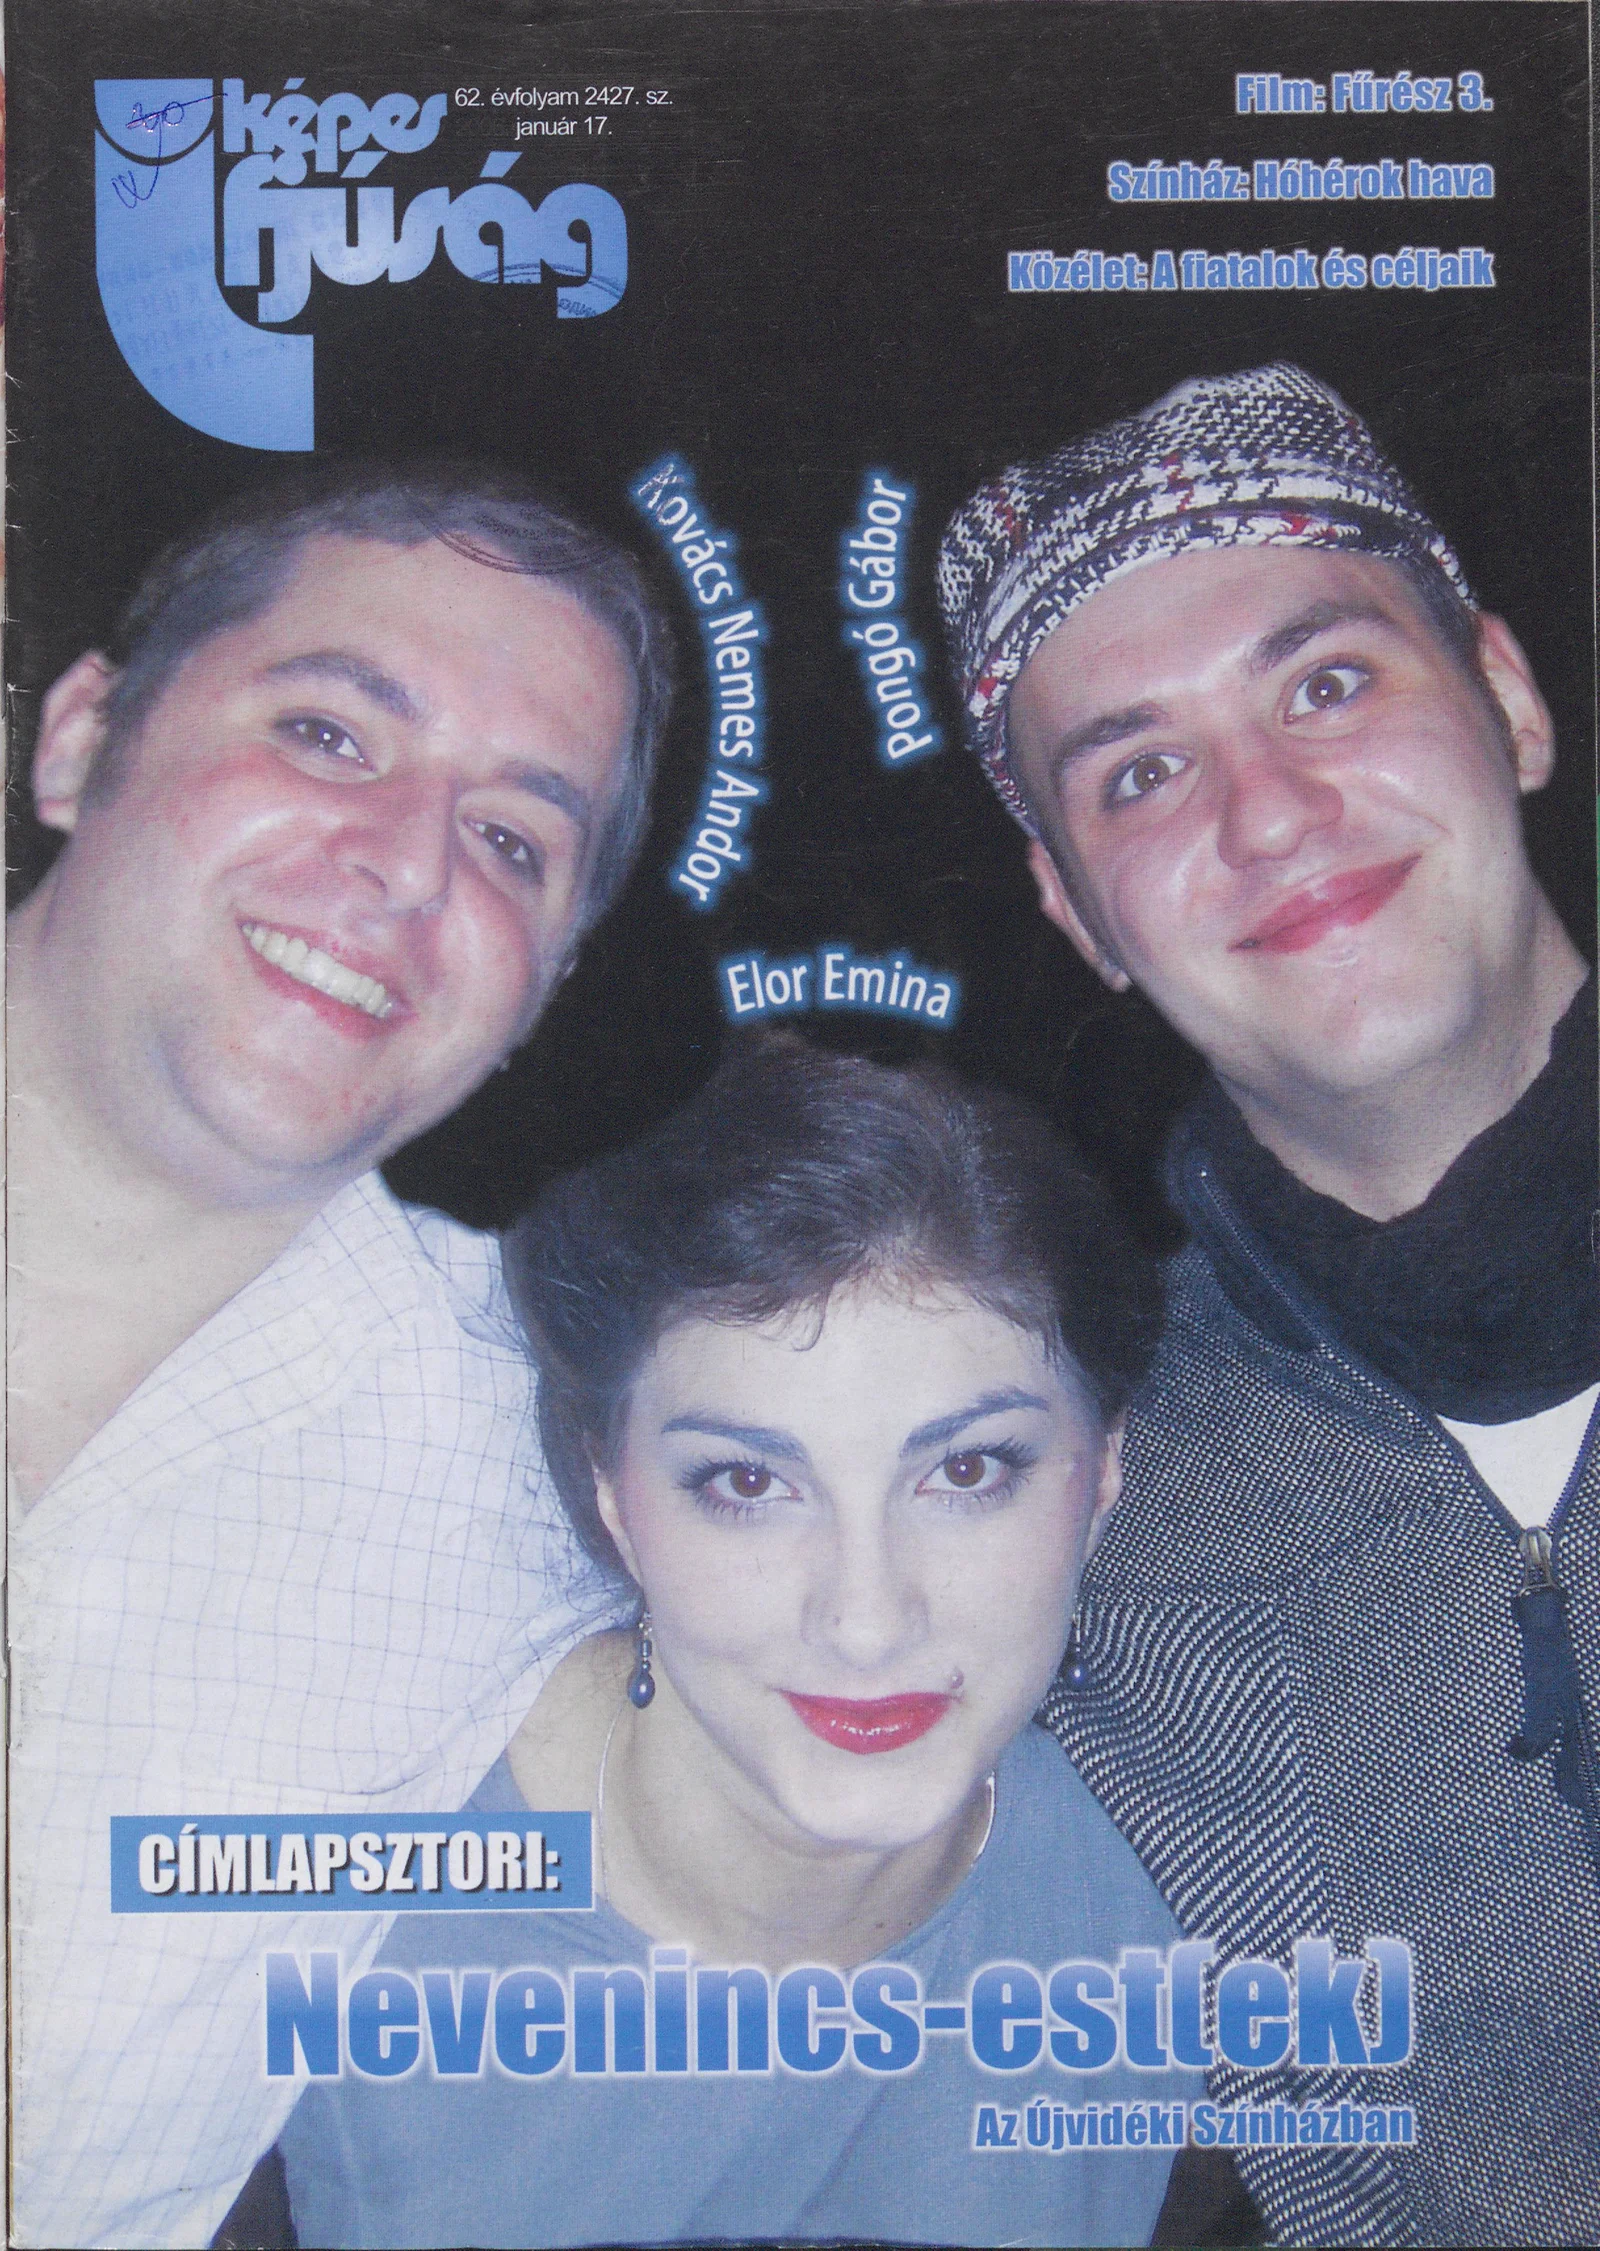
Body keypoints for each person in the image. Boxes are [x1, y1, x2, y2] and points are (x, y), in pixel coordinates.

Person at [937, 361, 1599, 2247]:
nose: (1271, 810)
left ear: (1510, 700)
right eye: (1139, 772)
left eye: (1326, 683)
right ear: (1077, 912)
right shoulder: (1066, 1529)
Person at [6, 461, 674, 2250]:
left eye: (514, 840)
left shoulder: (549, 1483)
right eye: (327, 733)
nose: (405, 863)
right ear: (79, 740)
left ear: (545, 985)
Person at [279, 1034, 1187, 2250]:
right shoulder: (344, 1904)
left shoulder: (1186, 1870)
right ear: (612, 1493)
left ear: (1103, 1468)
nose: (865, 1620)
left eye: (968, 1471)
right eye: (749, 1482)